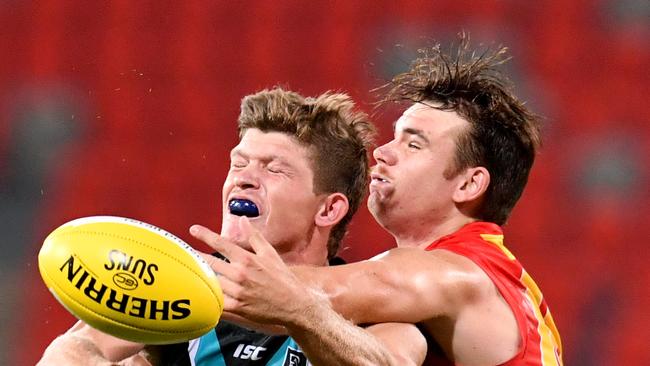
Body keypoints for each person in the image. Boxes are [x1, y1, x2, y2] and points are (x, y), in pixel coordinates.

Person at [190, 34, 563, 366]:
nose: (383, 152)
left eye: (413, 144)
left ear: (468, 185)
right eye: (395, 137)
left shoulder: (457, 274)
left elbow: (290, 297)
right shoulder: (478, 278)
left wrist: (158, 272)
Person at [37, 87, 427, 365]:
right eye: (239, 164)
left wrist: (301, 313)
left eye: (274, 169)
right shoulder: (180, 285)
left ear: (328, 210)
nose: (244, 179)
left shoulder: (373, 309)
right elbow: (67, 353)